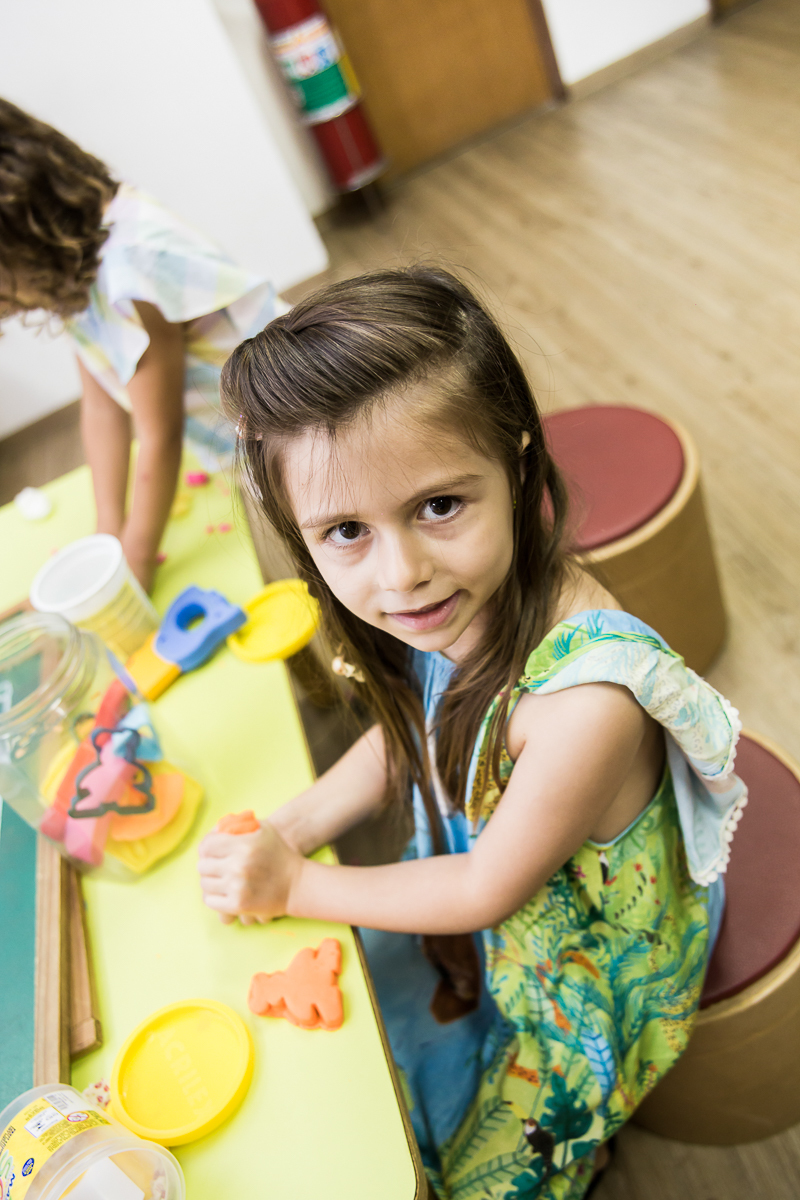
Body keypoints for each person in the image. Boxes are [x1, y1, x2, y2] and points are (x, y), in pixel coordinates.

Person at [197, 268, 746, 1198]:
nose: (402, 573)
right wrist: (296, 822)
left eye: (439, 506)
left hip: (591, 964)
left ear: (519, 462)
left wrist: (298, 882)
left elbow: (486, 887)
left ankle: (592, 1147)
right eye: (344, 533)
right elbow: (413, 726)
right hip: (494, 901)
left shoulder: (585, 705)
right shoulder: (454, 604)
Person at [0, 98, 281, 591]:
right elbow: (102, 405)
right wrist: (108, 532)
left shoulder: (128, 273)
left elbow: (159, 435)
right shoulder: (71, 268)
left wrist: (135, 563)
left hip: (299, 419)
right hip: (247, 433)